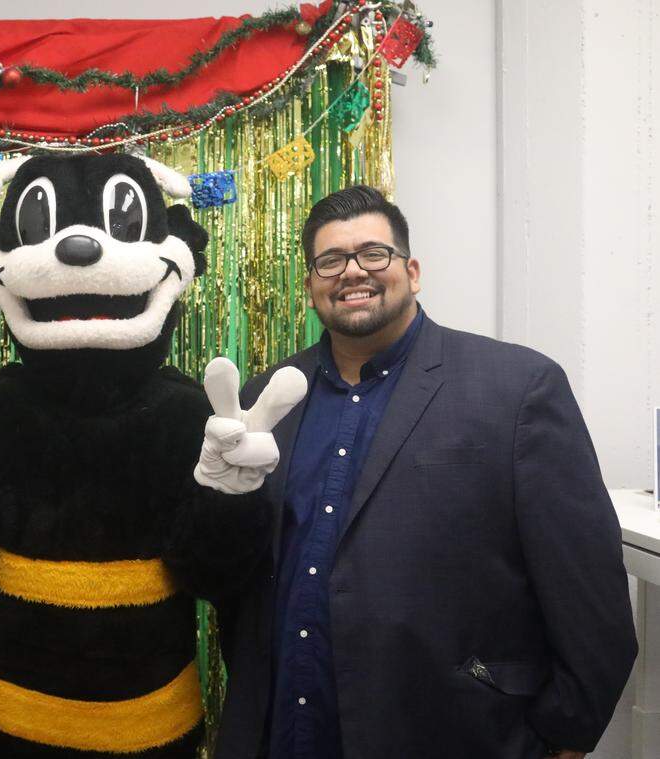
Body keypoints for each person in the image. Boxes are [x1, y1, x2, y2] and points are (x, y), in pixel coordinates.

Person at [215, 186, 637, 759]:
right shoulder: (270, 396)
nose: (351, 272)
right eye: (330, 261)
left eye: (373, 254)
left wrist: (564, 733)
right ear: (311, 285)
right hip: (289, 726)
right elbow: (243, 572)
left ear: (411, 271)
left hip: (452, 730)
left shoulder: (516, 389)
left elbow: (589, 593)